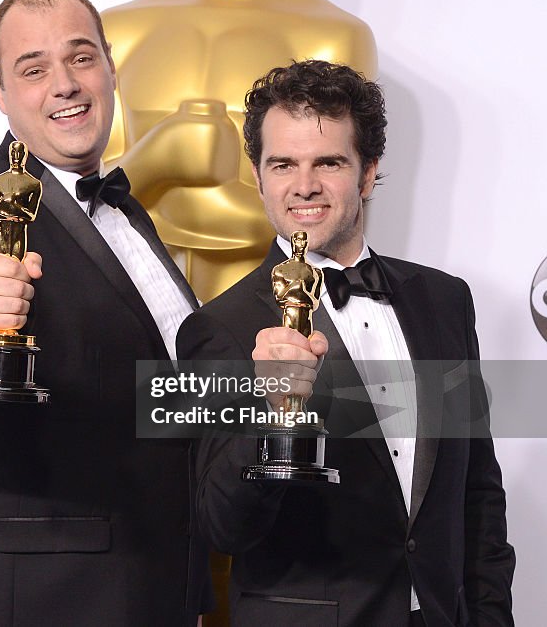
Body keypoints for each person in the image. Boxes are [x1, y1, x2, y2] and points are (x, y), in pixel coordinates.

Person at [0, 0, 209, 625]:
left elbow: (160, 393)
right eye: (34, 69)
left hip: (141, 586)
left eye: (81, 57)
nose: (65, 84)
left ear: (110, 66)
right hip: (33, 594)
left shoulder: (125, 211)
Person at [177, 60, 515, 625]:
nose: (303, 185)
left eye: (327, 162)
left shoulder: (443, 301)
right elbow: (221, 526)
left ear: (366, 172)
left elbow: (477, 493)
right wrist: (271, 413)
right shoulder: (221, 327)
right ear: (258, 176)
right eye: (282, 164)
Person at [100, 0, 377, 302]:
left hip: (269, 313)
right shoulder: (120, 29)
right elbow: (89, 203)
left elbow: (339, 218)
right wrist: (159, 157)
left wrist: (182, 207)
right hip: (135, 306)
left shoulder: (333, 36)